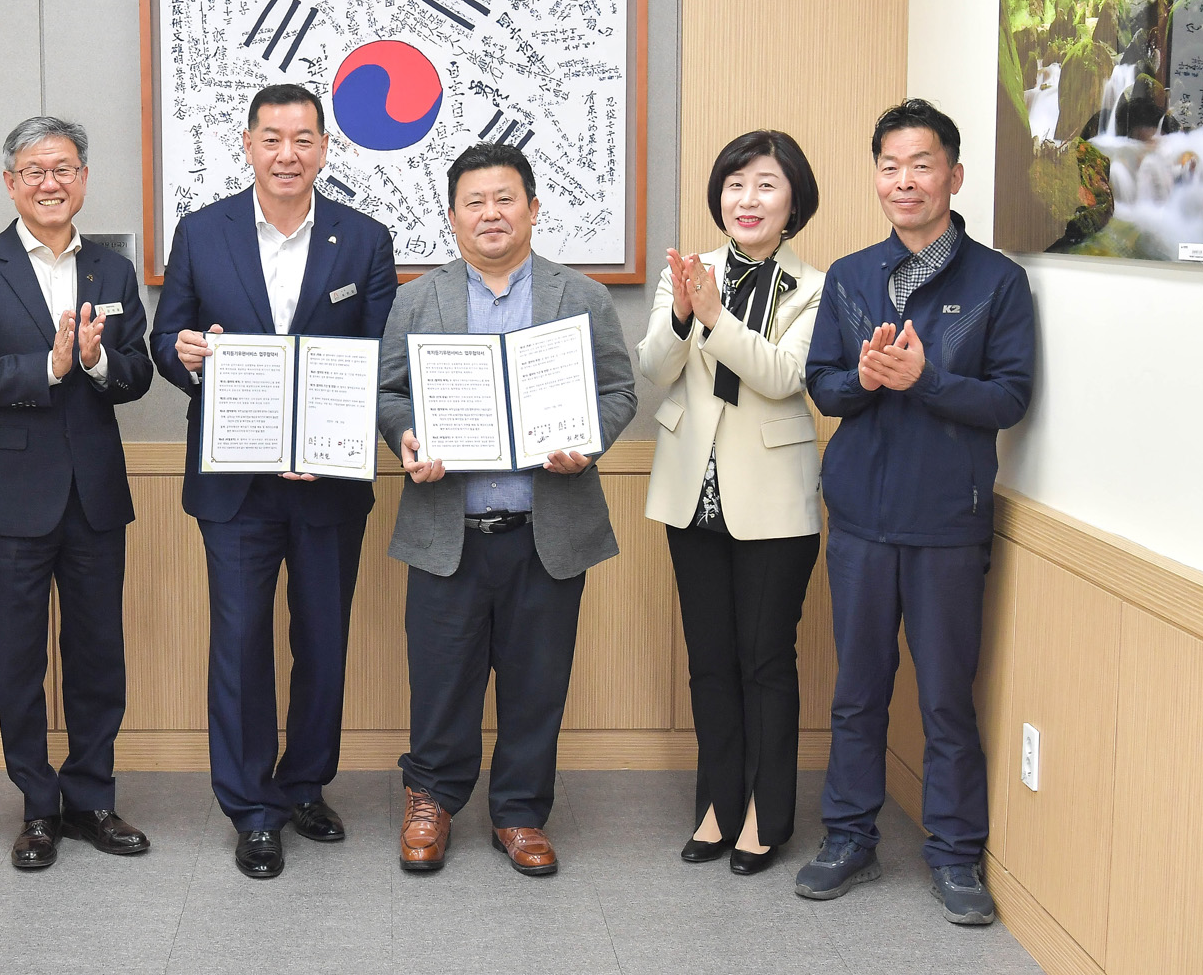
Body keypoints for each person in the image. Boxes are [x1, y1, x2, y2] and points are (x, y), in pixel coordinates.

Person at [151, 84, 396, 878]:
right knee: (240, 642)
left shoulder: (365, 240)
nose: (287, 154)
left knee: (322, 640)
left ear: (324, 148)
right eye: (272, 139)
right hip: (236, 482)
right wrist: (184, 354)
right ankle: (252, 809)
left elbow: (380, 357)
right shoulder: (202, 231)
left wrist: (330, 437)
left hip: (329, 479)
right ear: (248, 145)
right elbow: (165, 337)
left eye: (302, 140)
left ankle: (303, 786)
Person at [798, 99, 1035, 924]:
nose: (905, 181)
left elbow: (1010, 399)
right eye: (890, 166)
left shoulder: (998, 281)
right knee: (857, 693)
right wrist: (863, 380)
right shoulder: (851, 275)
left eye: (922, 165)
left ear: (953, 176)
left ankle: (956, 855)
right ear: (877, 178)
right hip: (861, 518)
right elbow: (822, 385)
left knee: (945, 699)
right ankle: (847, 837)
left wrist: (926, 381)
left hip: (946, 522)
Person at [377, 142, 636, 876]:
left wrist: (587, 444)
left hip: (545, 530)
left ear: (532, 208)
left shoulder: (580, 296)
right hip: (446, 530)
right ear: (452, 215)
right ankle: (431, 800)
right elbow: (389, 391)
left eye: (505, 199)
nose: (490, 214)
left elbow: (618, 391)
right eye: (474, 202)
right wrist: (406, 436)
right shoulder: (417, 299)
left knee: (536, 684)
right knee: (440, 680)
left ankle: (520, 811)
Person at [0, 117, 154, 870]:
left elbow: (138, 372)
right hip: (10, 497)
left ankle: (91, 798)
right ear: (11, 183)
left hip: (95, 495)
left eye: (63, 169)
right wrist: (52, 367)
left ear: (83, 179)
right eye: (34, 170)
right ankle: (36, 806)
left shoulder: (112, 271)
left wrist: (96, 364)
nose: (50, 183)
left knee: (98, 655)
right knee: (18, 659)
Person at [635, 130, 826, 876]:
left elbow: (782, 376)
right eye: (735, 184)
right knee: (709, 661)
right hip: (693, 493)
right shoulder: (687, 272)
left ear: (793, 201)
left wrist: (716, 318)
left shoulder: (815, 287)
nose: (748, 199)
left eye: (766, 185)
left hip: (774, 497)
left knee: (765, 660)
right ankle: (718, 803)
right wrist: (685, 312)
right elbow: (655, 368)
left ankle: (765, 817)